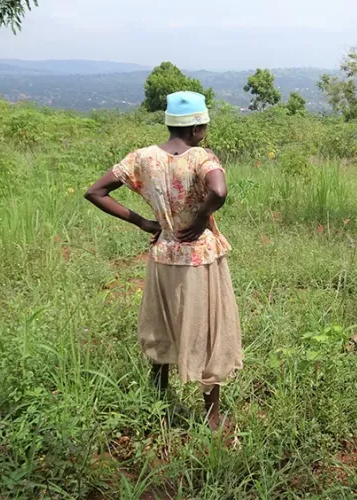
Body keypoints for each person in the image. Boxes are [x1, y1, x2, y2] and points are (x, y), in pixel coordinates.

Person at [84, 91, 242, 430]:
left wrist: (143, 222)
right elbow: (219, 190)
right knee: (208, 330)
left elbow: (95, 191)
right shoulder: (201, 157)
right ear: (197, 128)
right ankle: (212, 418)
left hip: (163, 254)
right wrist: (200, 219)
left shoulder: (143, 157)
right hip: (199, 257)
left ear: (171, 123)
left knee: (161, 325)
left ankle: (158, 404)